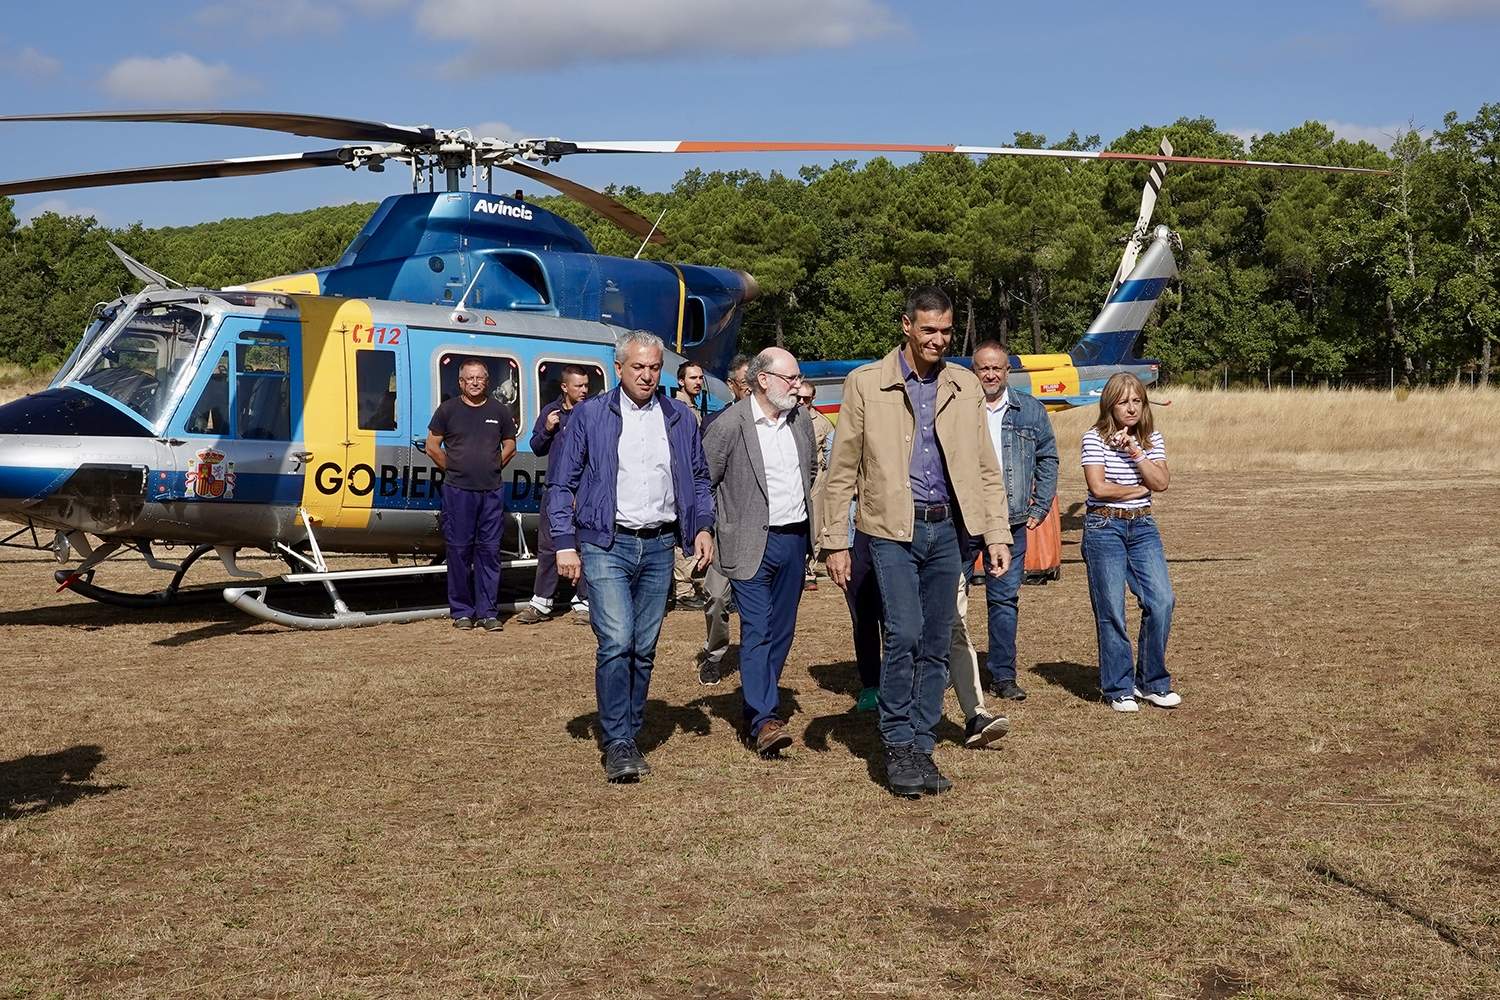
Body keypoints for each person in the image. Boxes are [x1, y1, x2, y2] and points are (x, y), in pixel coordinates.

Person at [821, 286, 1011, 798]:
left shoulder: (964, 386)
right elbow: (840, 472)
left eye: (947, 331)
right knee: (903, 633)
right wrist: (835, 540)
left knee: (934, 640)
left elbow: (986, 470)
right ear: (906, 325)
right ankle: (897, 743)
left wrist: (996, 532)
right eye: (929, 329)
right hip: (889, 530)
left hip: (948, 530)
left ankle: (922, 744)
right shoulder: (866, 385)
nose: (938, 339)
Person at [545, 331, 715, 782]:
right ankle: (618, 739)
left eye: (654, 367)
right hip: (606, 543)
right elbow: (561, 484)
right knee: (617, 639)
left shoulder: (679, 416)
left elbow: (698, 477)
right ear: (618, 368)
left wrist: (701, 527)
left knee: (644, 646)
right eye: (637, 367)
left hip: (660, 544)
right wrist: (565, 541)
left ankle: (628, 729)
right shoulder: (589, 416)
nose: (646, 375)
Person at [702, 348, 816, 756]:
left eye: (799, 378)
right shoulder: (730, 424)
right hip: (749, 543)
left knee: (782, 630)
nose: (798, 387)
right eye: (791, 378)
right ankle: (764, 717)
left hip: (794, 540)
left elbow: (811, 470)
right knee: (758, 627)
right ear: (763, 380)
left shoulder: (800, 421)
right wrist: (709, 529)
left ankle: (757, 698)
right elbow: (705, 480)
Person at [948, 340, 1059, 706]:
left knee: (1004, 601)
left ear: (1007, 371)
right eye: (983, 368)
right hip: (961, 519)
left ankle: (1003, 675)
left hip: (1010, 521)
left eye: (997, 368)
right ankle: (951, 670)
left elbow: (1048, 458)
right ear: (973, 371)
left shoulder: (1030, 411)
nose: (991, 374)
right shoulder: (957, 410)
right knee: (950, 598)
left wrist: (1039, 506)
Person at [1080, 371, 1178, 713]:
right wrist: (1138, 489)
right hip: (1104, 525)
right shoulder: (1093, 438)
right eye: (1123, 401)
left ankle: (1151, 682)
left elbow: (1161, 481)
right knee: (1111, 609)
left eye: (1137, 400)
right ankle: (1118, 686)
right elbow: (1099, 488)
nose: (1131, 408)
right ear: (1110, 404)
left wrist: (1136, 451)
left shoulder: (1152, 440)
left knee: (1162, 600)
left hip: (1142, 527)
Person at [425, 358, 518, 632]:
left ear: (486, 381)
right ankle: (462, 612)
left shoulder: (499, 411)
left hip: (491, 492)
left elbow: (510, 445)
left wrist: (492, 465)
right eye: (470, 379)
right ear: (461, 382)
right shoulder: (447, 410)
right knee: (459, 551)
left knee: (489, 552)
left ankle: (489, 613)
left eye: (480, 378)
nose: (475, 383)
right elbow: (432, 446)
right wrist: (453, 468)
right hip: (458, 492)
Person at [512, 365, 593, 626]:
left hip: (584, 491)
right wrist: (547, 428)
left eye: (586, 385)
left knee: (584, 545)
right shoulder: (550, 412)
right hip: (555, 489)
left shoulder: (592, 413)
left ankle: (584, 601)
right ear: (564, 387)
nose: (584, 390)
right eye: (578, 385)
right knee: (549, 546)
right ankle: (542, 601)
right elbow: (536, 447)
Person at [698, 353, 752, 684]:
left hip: (762, 531)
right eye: (747, 383)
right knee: (717, 597)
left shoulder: (777, 424)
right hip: (723, 529)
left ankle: (756, 656)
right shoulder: (716, 424)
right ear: (732, 385)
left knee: (757, 603)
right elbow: (704, 478)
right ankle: (715, 654)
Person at [671, 364, 709, 611]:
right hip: (681, 479)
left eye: (700, 378)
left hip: (694, 475)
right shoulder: (678, 409)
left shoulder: (694, 408)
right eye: (692, 378)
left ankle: (688, 584)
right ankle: (682, 589)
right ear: (680, 381)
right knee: (681, 532)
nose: (698, 381)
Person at [796, 382, 836, 592]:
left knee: (815, 527)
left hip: (816, 481)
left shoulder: (823, 424)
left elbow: (831, 454)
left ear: (813, 399)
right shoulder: (786, 418)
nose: (802, 402)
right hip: (792, 479)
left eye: (807, 399)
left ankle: (809, 570)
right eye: (798, 398)